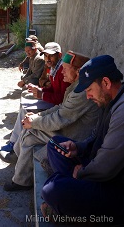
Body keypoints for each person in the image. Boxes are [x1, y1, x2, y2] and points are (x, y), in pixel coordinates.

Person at [41, 55, 124, 224]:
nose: (88, 96)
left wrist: (82, 173)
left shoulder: (122, 111)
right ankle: (69, 191)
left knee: (52, 190)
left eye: (89, 90)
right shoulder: (108, 100)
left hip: (113, 187)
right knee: (54, 145)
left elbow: (105, 166)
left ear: (106, 83)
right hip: (95, 166)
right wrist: (78, 147)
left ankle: (69, 197)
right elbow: (96, 137)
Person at [2, 51, 101, 191]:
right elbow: (61, 108)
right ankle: (18, 161)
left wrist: (34, 121)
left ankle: (21, 180)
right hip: (70, 127)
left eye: (66, 69)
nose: (62, 72)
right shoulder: (76, 86)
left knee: (30, 134)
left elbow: (60, 118)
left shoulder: (82, 92)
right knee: (29, 127)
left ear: (78, 71)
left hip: (75, 135)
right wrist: (37, 117)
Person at [0, 42, 70, 154]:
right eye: (46, 55)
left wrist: (42, 94)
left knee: (26, 111)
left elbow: (61, 98)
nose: (48, 59)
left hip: (58, 106)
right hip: (53, 100)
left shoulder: (62, 71)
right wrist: (39, 90)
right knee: (25, 105)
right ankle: (14, 141)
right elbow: (53, 89)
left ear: (59, 55)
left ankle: (13, 144)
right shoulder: (53, 68)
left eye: (51, 55)